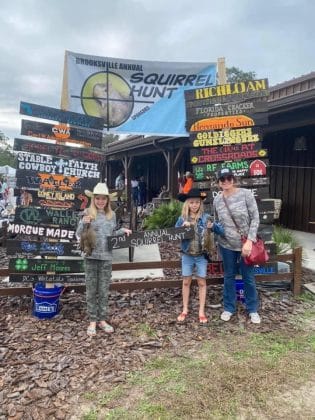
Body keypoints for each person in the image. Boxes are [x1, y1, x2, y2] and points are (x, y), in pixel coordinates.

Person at [76, 182, 132, 336]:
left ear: (108, 200)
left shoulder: (111, 215)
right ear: (93, 199)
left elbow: (111, 234)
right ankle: (92, 320)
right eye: (98, 198)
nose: (101, 201)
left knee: (103, 290)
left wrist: (122, 231)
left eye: (103, 199)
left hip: (106, 256)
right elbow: (79, 234)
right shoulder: (87, 213)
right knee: (91, 289)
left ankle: (102, 319)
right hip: (90, 256)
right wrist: (83, 222)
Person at [213, 168, 261, 324]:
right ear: (218, 182)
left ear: (233, 179)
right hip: (226, 245)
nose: (226, 181)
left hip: (245, 245)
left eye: (228, 178)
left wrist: (249, 241)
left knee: (248, 277)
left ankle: (252, 309)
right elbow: (217, 222)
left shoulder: (246, 194)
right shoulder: (217, 200)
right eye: (222, 179)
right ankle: (229, 307)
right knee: (228, 276)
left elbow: (255, 218)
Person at [175, 188, 224, 324]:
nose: (194, 205)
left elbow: (220, 230)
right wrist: (182, 228)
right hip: (187, 254)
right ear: (187, 204)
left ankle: (201, 311)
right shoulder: (182, 218)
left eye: (197, 202)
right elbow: (174, 234)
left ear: (200, 204)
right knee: (186, 281)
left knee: (202, 282)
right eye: (191, 202)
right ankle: (185, 309)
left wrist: (212, 225)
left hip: (202, 255)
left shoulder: (206, 217)